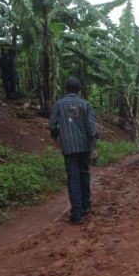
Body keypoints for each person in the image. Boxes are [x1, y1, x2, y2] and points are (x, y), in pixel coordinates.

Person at [49, 77, 99, 224]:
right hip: (85, 147)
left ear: (66, 89)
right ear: (79, 90)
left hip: (69, 147)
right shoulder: (86, 105)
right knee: (84, 174)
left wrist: (55, 135)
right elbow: (91, 127)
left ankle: (77, 214)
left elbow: (52, 124)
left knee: (73, 178)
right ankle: (86, 206)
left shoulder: (59, 105)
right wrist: (95, 140)